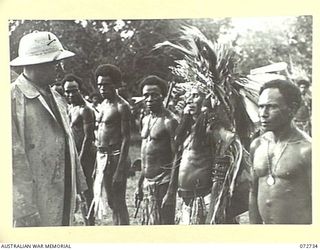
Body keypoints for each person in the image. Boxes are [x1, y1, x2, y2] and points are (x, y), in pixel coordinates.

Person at [10, 31, 87, 227]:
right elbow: (11, 159)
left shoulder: (57, 97)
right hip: (33, 201)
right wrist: (23, 209)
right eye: (55, 63)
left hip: (61, 191)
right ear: (38, 63)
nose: (59, 69)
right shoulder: (12, 99)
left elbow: (68, 145)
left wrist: (76, 189)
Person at [162, 85, 239, 224]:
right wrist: (185, 117)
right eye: (189, 96)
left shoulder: (212, 129)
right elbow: (175, 147)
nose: (189, 100)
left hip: (204, 200)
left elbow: (221, 169)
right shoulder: (191, 129)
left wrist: (214, 206)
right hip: (186, 199)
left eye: (196, 96)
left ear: (207, 99)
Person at [249, 79, 312, 224]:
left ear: (292, 109)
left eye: (271, 107)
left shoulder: (307, 150)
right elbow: (253, 193)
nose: (263, 114)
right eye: (261, 107)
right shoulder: (257, 145)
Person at [135, 75, 178, 225]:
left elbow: (176, 157)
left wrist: (171, 191)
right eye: (146, 95)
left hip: (163, 182)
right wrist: (139, 184)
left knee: (165, 226)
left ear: (163, 96)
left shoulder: (170, 121)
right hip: (147, 182)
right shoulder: (145, 120)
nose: (149, 99)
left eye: (154, 95)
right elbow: (145, 154)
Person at [93, 64, 131, 225]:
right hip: (102, 156)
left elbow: (127, 138)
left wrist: (120, 169)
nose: (102, 88)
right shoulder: (102, 105)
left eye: (106, 84)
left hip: (115, 157)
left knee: (119, 202)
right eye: (100, 84)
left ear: (115, 84)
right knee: (111, 202)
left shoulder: (122, 106)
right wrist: (97, 164)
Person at [62, 74, 96, 225]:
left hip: (86, 155)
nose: (70, 94)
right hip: (74, 154)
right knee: (78, 191)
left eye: (74, 90)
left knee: (87, 190)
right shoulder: (70, 107)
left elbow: (88, 138)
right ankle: (85, 219)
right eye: (67, 91)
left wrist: (80, 161)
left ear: (80, 90)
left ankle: (91, 222)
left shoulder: (86, 110)